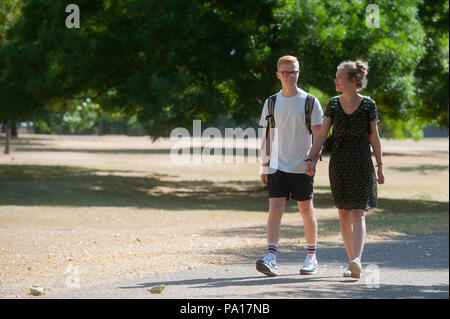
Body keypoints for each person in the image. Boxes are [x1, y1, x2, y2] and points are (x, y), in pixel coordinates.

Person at [305, 60, 385, 279]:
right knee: (343, 213)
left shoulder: (368, 105)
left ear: (352, 80)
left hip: (361, 161)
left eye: (339, 76)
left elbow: (374, 138)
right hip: (339, 162)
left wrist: (380, 167)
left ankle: (356, 260)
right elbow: (322, 135)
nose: (335, 79)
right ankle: (353, 264)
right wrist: (310, 158)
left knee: (358, 212)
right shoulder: (333, 104)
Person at [257, 55, 324, 277]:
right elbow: (266, 136)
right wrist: (264, 164)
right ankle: (272, 258)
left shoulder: (310, 101)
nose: (290, 76)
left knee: (306, 210)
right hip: (277, 165)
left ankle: (311, 258)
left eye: (293, 72)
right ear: (278, 75)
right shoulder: (271, 102)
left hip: (301, 165)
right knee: (275, 210)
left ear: (299, 73)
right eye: (285, 72)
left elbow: (319, 136)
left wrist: (312, 161)